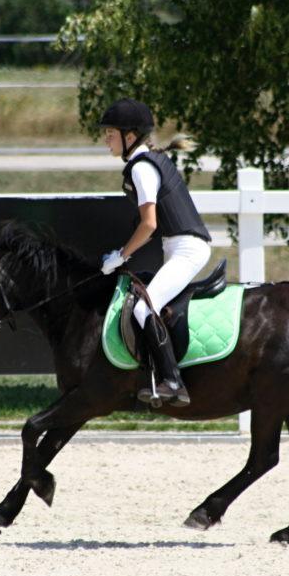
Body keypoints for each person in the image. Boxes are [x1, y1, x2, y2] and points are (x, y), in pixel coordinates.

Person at [97, 98, 212, 407]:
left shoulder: (142, 168)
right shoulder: (148, 161)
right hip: (179, 247)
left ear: (130, 136)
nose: (106, 140)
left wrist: (121, 256)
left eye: (110, 133)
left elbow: (149, 224)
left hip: (187, 249)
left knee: (143, 309)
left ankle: (173, 382)